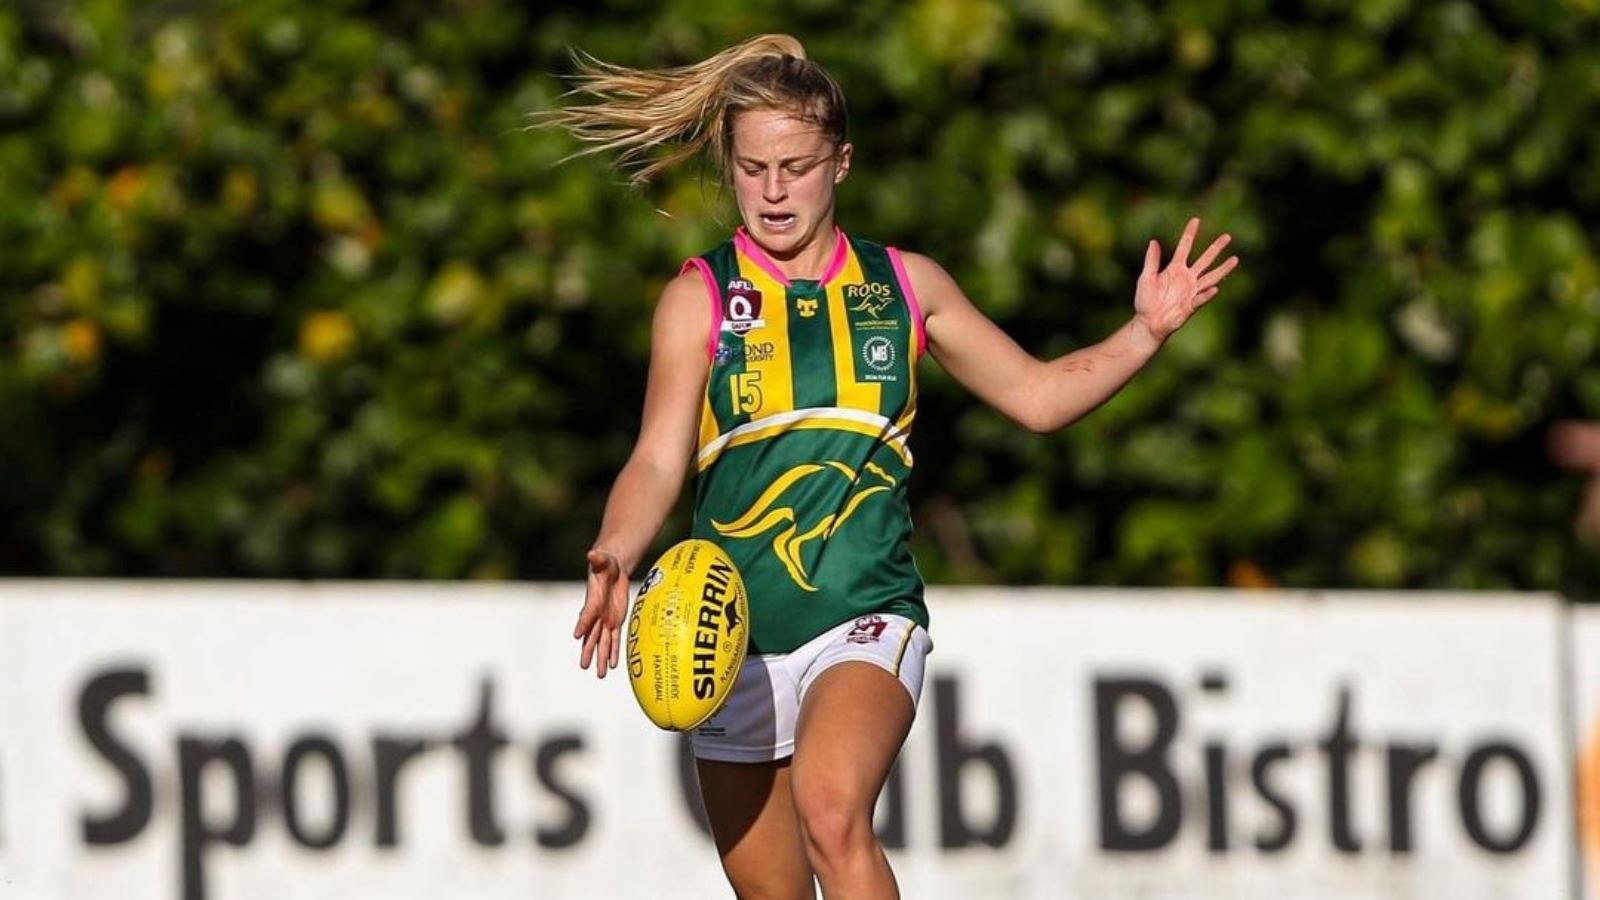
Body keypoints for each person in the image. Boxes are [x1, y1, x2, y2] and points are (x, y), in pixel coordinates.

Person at [544, 34, 1238, 899]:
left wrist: (1145, 331)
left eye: (795, 166)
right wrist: (617, 548)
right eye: (753, 167)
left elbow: (1038, 397)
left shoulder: (906, 286)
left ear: (842, 162)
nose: (772, 190)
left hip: (864, 618)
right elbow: (655, 460)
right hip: (731, 645)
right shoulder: (700, 299)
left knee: (832, 812)